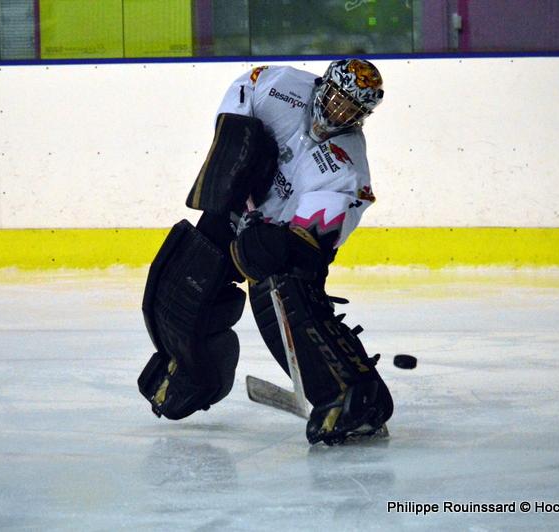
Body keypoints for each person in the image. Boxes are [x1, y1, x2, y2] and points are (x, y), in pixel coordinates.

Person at [138, 59, 394, 445]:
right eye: (336, 99)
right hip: (240, 206)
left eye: (351, 110)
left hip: (283, 236)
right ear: (323, 86)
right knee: (188, 269)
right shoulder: (279, 85)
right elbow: (245, 91)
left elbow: (312, 240)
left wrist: (277, 242)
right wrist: (236, 149)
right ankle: (191, 372)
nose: (338, 113)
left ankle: (352, 398)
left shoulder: (347, 167)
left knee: (286, 292)